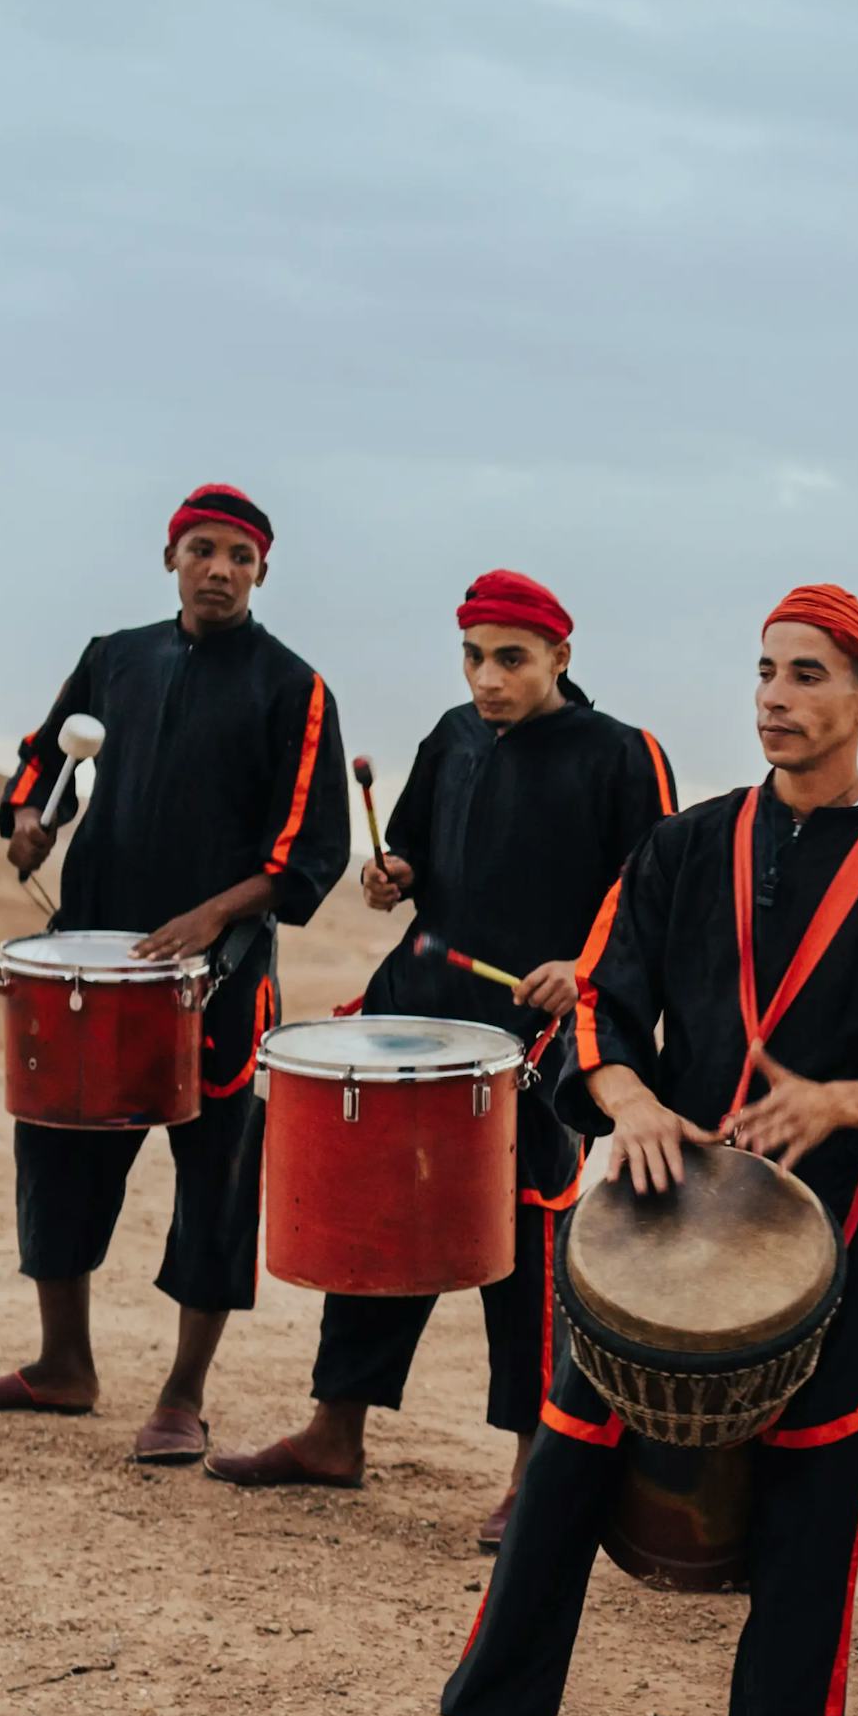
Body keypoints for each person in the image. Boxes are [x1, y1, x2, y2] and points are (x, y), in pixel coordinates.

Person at [370, 585, 858, 1716]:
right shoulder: (687, 844)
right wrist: (631, 1100)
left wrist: (840, 1101)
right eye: (767, 669)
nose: (777, 695)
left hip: (806, 1244)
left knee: (816, 1527)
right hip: (651, 1229)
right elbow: (601, 999)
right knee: (557, 1488)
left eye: (811, 674)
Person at [208, 571, 677, 1542]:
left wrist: (581, 967)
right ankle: (335, 1431)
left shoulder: (623, 755)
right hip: (424, 1011)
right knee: (389, 1213)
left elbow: (654, 900)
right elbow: (418, 853)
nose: (489, 678)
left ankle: (534, 1470)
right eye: (474, 656)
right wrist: (396, 872)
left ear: (561, 656)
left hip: (539, 1037)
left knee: (521, 1242)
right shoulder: (451, 737)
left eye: (511, 657)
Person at [0, 482, 347, 1464]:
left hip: (221, 974)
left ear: (262, 570)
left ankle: (183, 1395)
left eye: (239, 556)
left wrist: (208, 918)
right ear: (171, 557)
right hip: (92, 960)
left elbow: (306, 850)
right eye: (202, 550)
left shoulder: (294, 687)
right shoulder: (112, 659)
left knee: (214, 1176)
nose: (219, 569)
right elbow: (46, 762)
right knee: (56, 1151)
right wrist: (31, 821)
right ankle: (62, 1365)